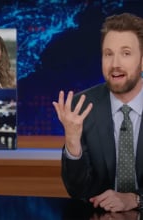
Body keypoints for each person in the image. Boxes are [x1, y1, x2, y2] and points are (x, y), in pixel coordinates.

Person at [52, 13, 143, 212]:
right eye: (108, 54)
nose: (115, 64)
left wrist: (136, 200)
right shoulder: (82, 106)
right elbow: (78, 190)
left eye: (126, 53)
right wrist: (72, 141)